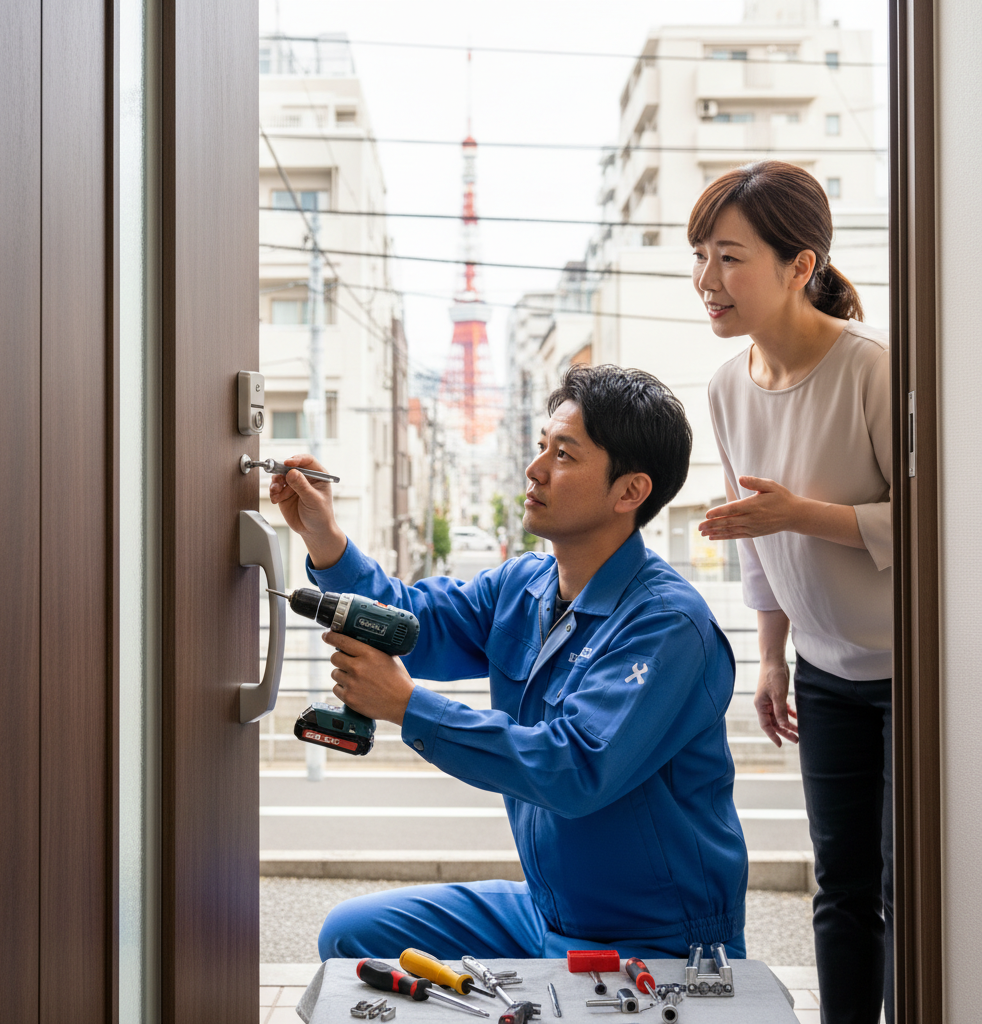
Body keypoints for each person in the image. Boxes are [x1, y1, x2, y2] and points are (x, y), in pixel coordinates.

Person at [270, 364, 748, 963]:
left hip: (657, 940)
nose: (536, 468)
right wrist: (325, 538)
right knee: (351, 933)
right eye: (542, 446)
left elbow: (576, 768)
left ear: (630, 491)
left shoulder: (667, 625)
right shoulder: (525, 583)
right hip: (548, 910)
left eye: (565, 455)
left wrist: (406, 705)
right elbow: (410, 621)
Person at [690, 161, 892, 1024]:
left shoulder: (872, 370)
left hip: (915, 671)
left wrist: (798, 512)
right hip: (824, 672)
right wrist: (770, 658)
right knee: (840, 883)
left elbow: (935, 525)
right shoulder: (729, 386)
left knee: (917, 876)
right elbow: (757, 541)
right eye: (701, 256)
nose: (708, 281)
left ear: (799, 266)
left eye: (730, 257)